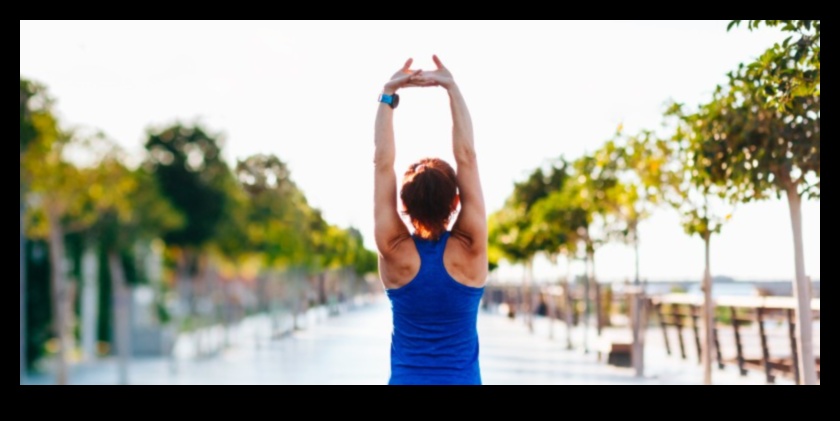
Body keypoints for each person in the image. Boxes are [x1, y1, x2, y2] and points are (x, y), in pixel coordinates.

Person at [374, 56, 488, 386]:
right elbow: (467, 158)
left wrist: (387, 95)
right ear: (456, 200)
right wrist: (451, 88)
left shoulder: (393, 249)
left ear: (403, 205)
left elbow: (382, 165)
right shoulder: (471, 247)